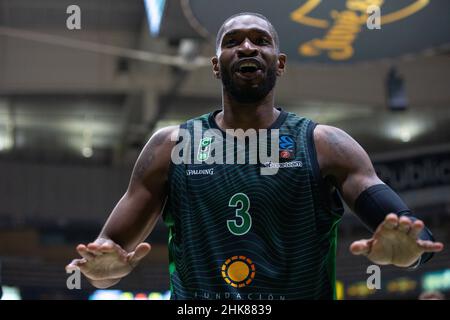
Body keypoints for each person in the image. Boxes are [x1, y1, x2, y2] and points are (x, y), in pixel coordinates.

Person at [66, 12, 443, 300]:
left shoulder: (325, 145)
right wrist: (102, 272)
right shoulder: (170, 146)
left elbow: (416, 236)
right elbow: (107, 262)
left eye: (260, 40)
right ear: (216, 65)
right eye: (233, 41)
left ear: (279, 62)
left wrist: (407, 252)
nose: (247, 47)